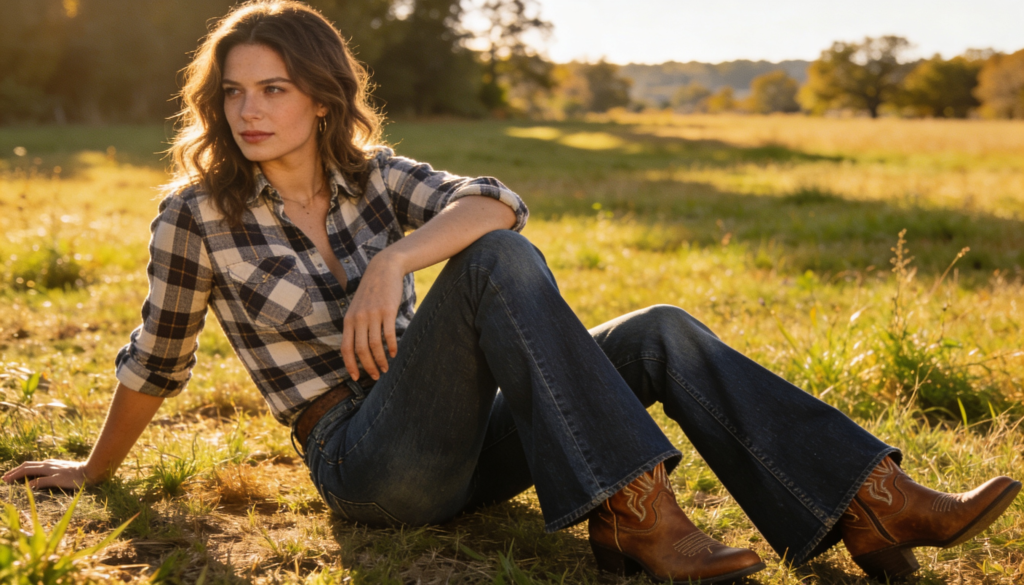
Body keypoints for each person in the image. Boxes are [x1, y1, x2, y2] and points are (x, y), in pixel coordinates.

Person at [3, 2, 1019, 583]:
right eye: (233, 90)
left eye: (272, 88)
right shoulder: (196, 215)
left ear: (320, 96)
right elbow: (156, 359)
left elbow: (495, 201)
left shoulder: (370, 175)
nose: (249, 109)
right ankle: (634, 513)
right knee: (490, 269)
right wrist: (94, 471)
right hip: (365, 463)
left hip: (459, 436)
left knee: (654, 328)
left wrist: (396, 261)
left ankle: (870, 505)